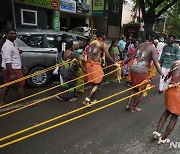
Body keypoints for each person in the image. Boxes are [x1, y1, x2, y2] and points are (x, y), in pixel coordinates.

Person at [125, 32, 164, 112]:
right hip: (141, 70)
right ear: (152, 38)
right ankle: (134, 107)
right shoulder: (152, 48)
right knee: (142, 89)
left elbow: (131, 56)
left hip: (133, 67)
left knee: (134, 87)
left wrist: (123, 62)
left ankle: (128, 105)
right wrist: (161, 73)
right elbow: (156, 62)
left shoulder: (140, 45)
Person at [82, 32, 116, 106]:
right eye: (105, 35)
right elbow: (107, 55)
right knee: (98, 83)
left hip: (88, 63)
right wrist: (114, 63)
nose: (105, 36)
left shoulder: (92, 42)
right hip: (95, 65)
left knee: (93, 83)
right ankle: (87, 100)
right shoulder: (102, 44)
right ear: (102, 35)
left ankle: (91, 99)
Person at [152, 60, 180, 144]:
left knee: (167, 112)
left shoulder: (176, 63)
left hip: (170, 91)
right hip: (178, 94)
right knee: (174, 117)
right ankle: (163, 139)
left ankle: (157, 132)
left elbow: (167, 77)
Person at [0, 28, 28, 106]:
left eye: (14, 33)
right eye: (11, 33)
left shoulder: (13, 44)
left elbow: (16, 57)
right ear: (6, 35)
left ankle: (1, 102)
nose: (13, 35)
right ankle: (25, 102)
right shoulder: (7, 46)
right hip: (12, 69)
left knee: (7, 85)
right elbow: (7, 61)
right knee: (20, 85)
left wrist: (23, 66)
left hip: (15, 68)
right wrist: (12, 74)